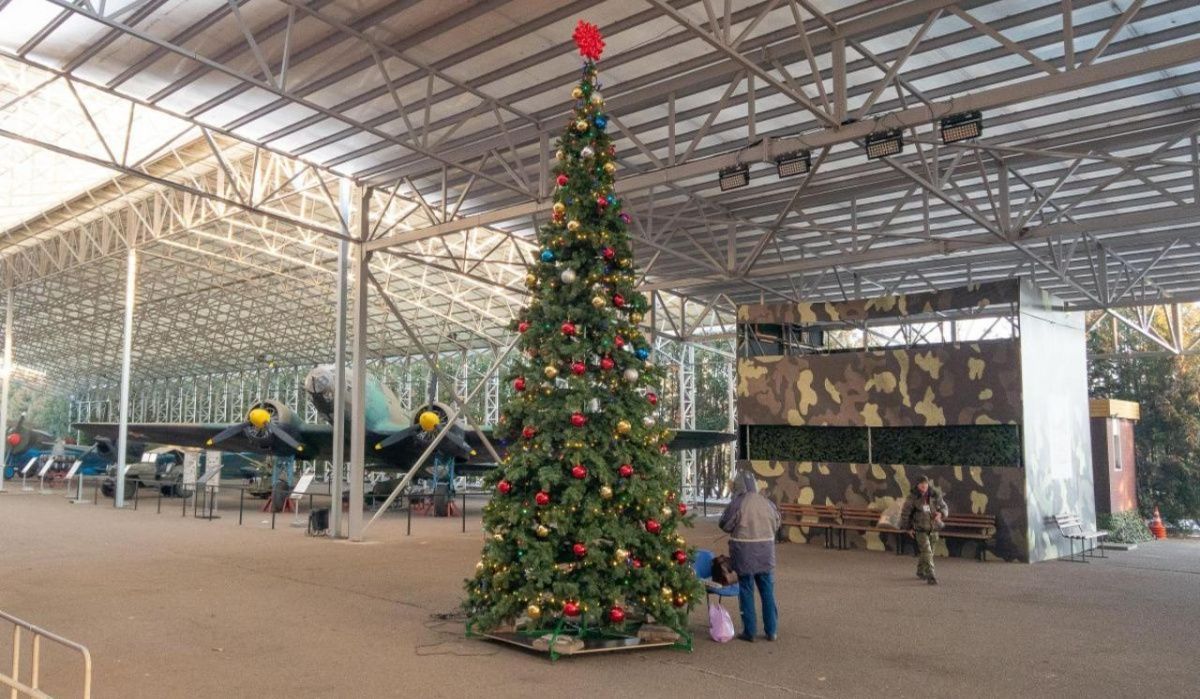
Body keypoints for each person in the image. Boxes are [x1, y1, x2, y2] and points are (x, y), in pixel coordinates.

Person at [718, 470, 781, 642]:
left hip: (744, 553)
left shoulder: (738, 502)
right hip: (766, 553)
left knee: (746, 590)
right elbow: (777, 522)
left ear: (738, 486)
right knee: (767, 591)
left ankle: (750, 631)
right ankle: (771, 631)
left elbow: (725, 524)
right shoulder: (766, 502)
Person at [900, 475, 949, 585]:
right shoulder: (912, 498)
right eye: (921, 484)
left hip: (934, 528)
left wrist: (941, 514)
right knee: (927, 551)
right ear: (917, 485)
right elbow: (905, 514)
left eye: (925, 483)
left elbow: (945, 507)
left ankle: (921, 571)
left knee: (928, 552)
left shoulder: (935, 495)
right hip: (920, 529)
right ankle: (931, 574)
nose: (924, 486)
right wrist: (908, 528)